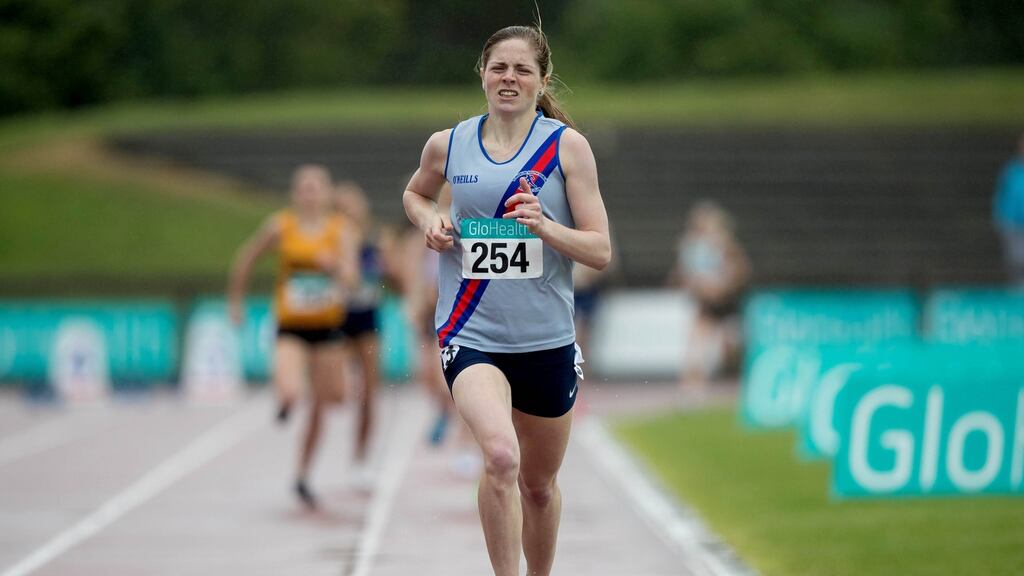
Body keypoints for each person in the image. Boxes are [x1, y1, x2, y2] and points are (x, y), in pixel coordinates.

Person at [402, 24, 611, 576]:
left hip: (546, 341)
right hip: (470, 335)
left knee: (538, 486)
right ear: (483, 74)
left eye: (522, 69)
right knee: (499, 456)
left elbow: (600, 250)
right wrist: (431, 220)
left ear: (541, 79)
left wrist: (546, 228)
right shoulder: (448, 144)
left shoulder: (567, 148)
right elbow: (415, 193)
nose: (509, 78)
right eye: (500, 67)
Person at [228, 164, 359, 509]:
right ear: (295, 193)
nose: (310, 194)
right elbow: (246, 259)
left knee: (329, 400)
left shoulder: (339, 229)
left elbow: (353, 280)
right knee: (292, 390)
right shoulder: (281, 226)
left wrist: (336, 266)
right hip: (291, 326)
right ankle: (285, 401)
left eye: (316, 187)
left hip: (328, 328)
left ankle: (302, 474)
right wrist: (236, 303)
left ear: (327, 193)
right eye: (304, 187)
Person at [670, 200, 750, 394]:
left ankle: (740, 383)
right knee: (696, 343)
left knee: (731, 347)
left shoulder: (724, 244)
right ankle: (692, 387)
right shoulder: (690, 246)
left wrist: (723, 285)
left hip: (728, 300)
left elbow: (741, 270)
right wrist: (696, 286)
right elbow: (684, 274)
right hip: (706, 302)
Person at [334, 181, 383, 487]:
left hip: (366, 318)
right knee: (338, 391)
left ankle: (361, 457)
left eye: (354, 207)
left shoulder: (376, 239)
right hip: (336, 316)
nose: (350, 213)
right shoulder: (331, 238)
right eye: (343, 208)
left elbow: (394, 276)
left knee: (369, 394)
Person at [993, 133, 1024, 286]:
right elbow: (1001, 195)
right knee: (1016, 263)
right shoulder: (1011, 171)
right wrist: (1001, 219)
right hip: (1013, 226)